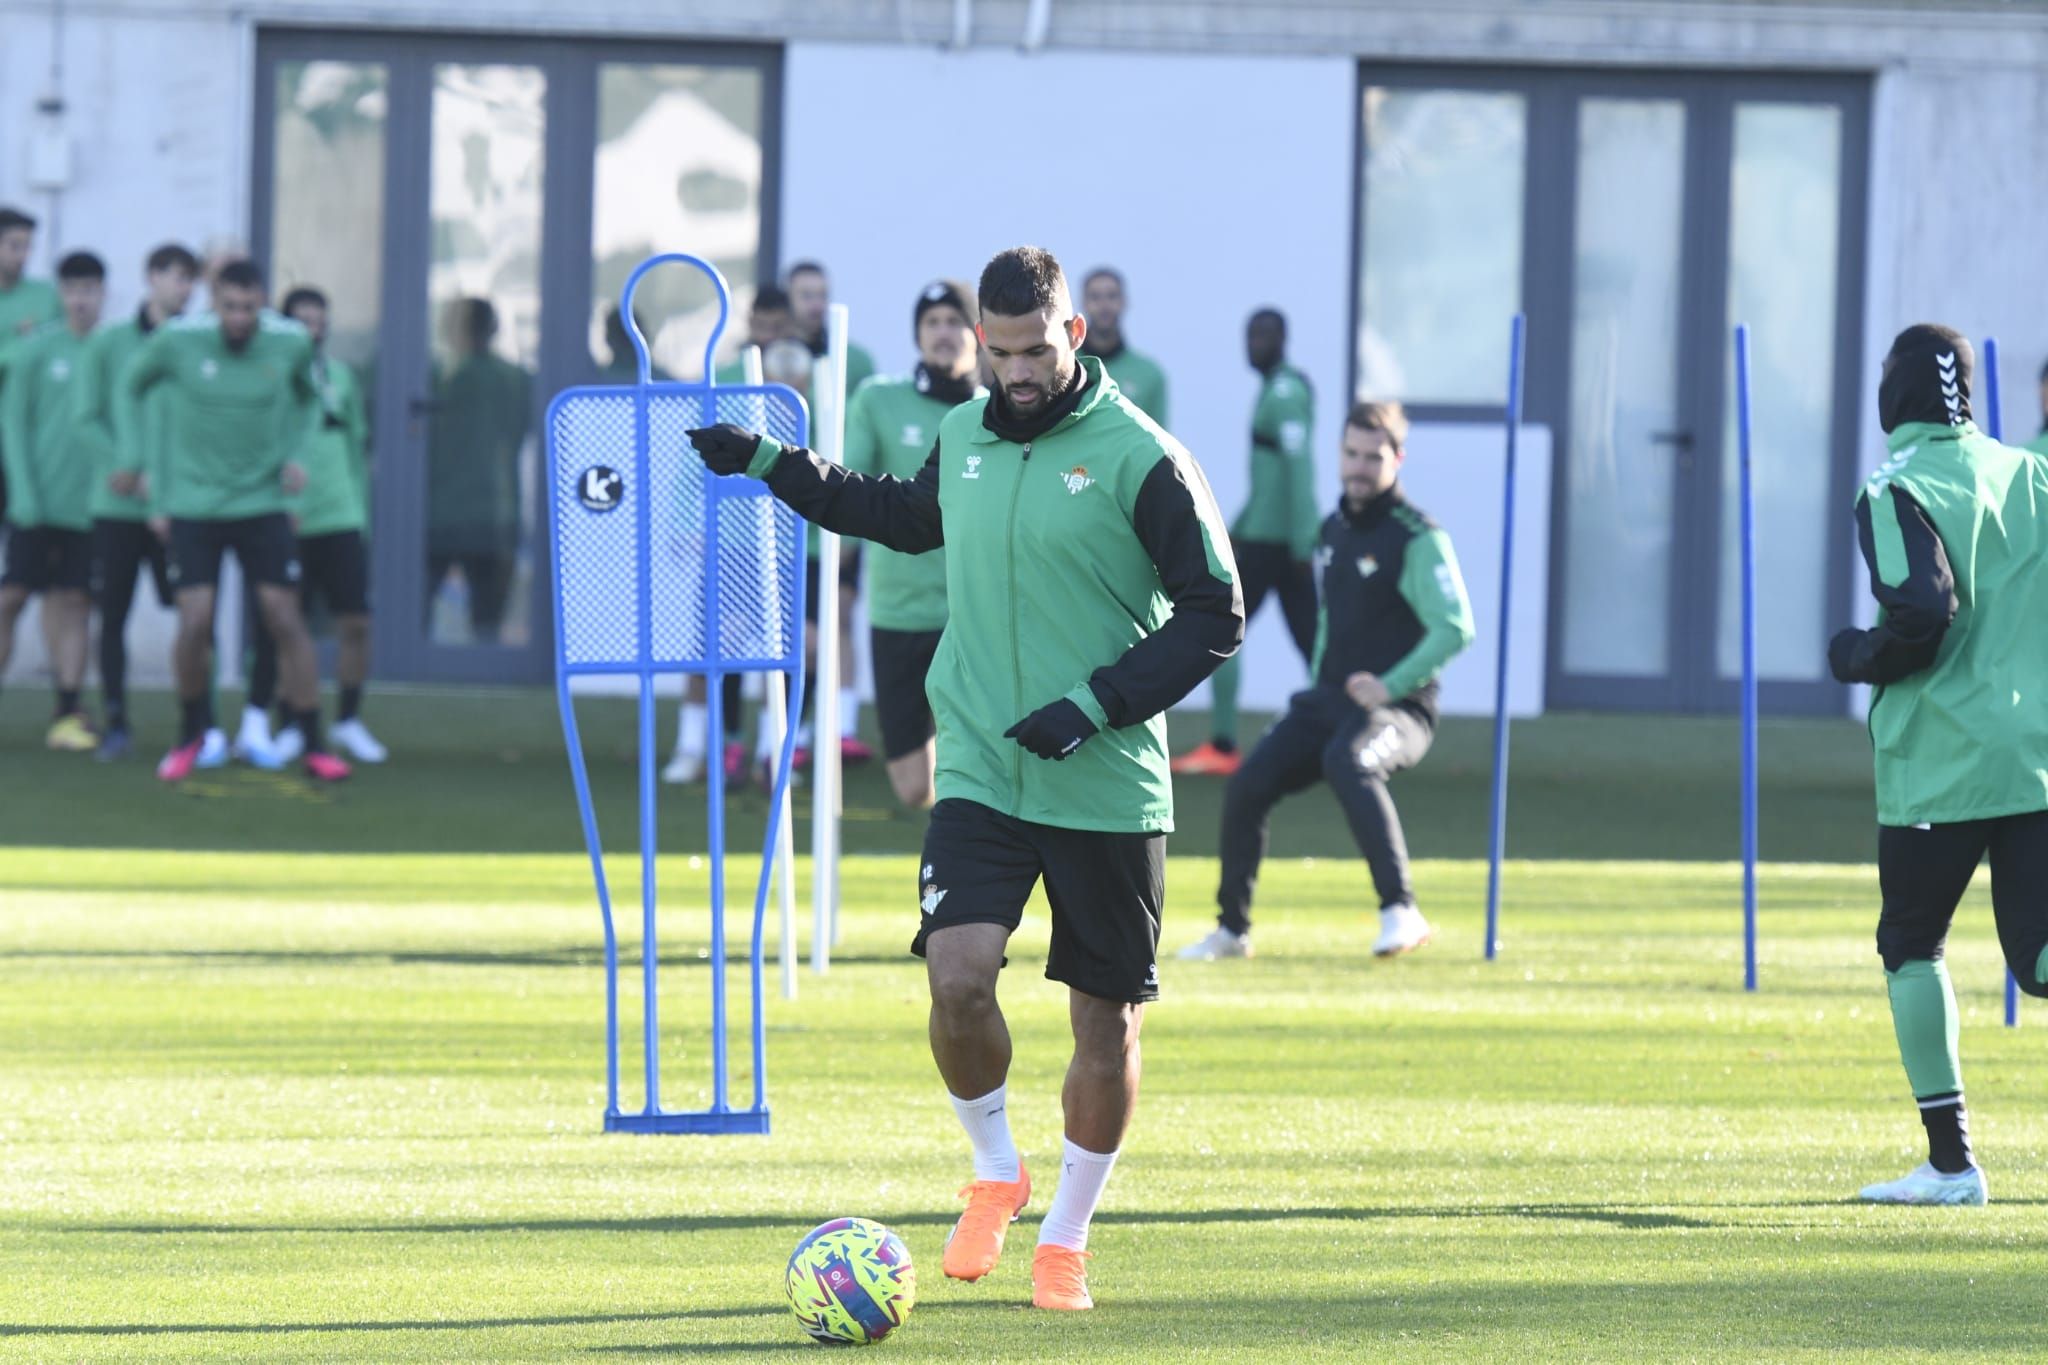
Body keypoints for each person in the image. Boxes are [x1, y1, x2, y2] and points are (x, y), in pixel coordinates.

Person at [688, 245, 1242, 1312]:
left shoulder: (1142, 456)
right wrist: (770, 464)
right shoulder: (962, 433)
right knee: (954, 982)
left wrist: (1093, 706)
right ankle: (996, 1169)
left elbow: (1214, 614)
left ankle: (1066, 1236)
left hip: (1103, 781)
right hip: (983, 766)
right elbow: (900, 514)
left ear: (1073, 335)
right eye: (1001, 353)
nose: (1019, 372)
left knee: (1104, 1028)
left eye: (1037, 350)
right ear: (977, 346)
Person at [1827, 324, 2048, 1207]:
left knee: (1911, 945)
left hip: (1940, 764)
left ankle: (1952, 1165)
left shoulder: (1894, 486)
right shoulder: (2030, 475)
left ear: (1899, 393)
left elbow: (1922, 614)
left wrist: (1857, 654)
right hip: (2035, 757)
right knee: (2036, 960)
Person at [1180, 402, 1474, 962]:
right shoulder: (1333, 529)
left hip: (1399, 711)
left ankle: (1401, 912)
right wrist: (1317, 686)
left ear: (1398, 460)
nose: (1360, 467)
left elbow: (1455, 628)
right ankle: (1231, 932)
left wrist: (1390, 685)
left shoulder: (1417, 537)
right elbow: (1329, 628)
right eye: (1351, 454)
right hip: (1330, 701)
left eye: (1374, 457)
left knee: (1351, 760)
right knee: (1249, 782)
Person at [118, 259, 349, 782]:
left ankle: (313, 740)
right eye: (230, 307)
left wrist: (298, 457)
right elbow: (130, 386)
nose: (240, 318)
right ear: (213, 301)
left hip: (262, 502)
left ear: (262, 302)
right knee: (195, 620)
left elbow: (316, 402)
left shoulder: (289, 341)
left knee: (284, 617)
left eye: (250, 308)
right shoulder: (178, 340)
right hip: (195, 505)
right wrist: (137, 460)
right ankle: (192, 734)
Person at [840, 279, 984, 807]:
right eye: (932, 323)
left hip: (971, 614)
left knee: (974, 764)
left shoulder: (997, 410)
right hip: (898, 610)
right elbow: (849, 492)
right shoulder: (879, 399)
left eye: (955, 321)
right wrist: (841, 577)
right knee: (913, 787)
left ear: (978, 333)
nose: (944, 334)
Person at [240, 286, 385, 765]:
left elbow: (355, 447)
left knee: (356, 622)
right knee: (285, 626)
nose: (313, 329)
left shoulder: (341, 376)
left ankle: (347, 719)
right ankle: (292, 724)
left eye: (319, 321)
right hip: (289, 519)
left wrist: (359, 513)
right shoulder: (269, 376)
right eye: (303, 320)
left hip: (340, 517)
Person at [1173, 308, 1319, 777]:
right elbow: (1270, 482)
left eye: (1264, 335)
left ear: (1283, 339)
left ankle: (1223, 743)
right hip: (1263, 538)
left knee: (1223, 628)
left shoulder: (1285, 394)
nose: (1254, 344)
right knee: (1313, 641)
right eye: (1250, 334)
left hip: (1274, 545)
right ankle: (1335, 733)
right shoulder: (1276, 389)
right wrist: (1236, 525)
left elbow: (1301, 472)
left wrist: (1302, 542)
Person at [74, 242, 198, 760]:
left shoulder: (198, 345)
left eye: (192, 280)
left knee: (196, 614)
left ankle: (197, 725)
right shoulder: (108, 345)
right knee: (114, 615)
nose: (185, 289)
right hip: (118, 509)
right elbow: (85, 417)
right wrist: (125, 468)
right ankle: (117, 721)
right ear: (151, 278)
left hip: (183, 509)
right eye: (176, 277)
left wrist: (174, 482)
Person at [0, 250, 107, 749]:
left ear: (103, 294)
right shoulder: (36, 350)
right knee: (12, 598)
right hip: (36, 503)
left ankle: (67, 710)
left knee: (74, 603)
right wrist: (23, 490)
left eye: (90, 290)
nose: (81, 300)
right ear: (60, 295)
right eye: (73, 291)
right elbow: (13, 424)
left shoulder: (113, 350)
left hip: (91, 508)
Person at [785, 262, 875, 765]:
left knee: (840, 616)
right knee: (802, 633)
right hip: (792, 519)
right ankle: (794, 732)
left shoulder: (854, 360)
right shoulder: (774, 359)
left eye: (822, 293)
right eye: (805, 294)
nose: (815, 303)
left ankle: (840, 728)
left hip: (841, 512)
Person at [425, 298, 530, 643]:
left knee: (414, 615)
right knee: (486, 623)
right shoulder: (515, 380)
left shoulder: (440, 379)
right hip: (493, 514)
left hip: (441, 513)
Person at [0, 207, 62, 534]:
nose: (23, 255)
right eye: (14, 245)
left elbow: (61, 352)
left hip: (33, 439)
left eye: (28, 246)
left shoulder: (46, 296)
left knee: (30, 541)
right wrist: (15, 349)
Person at [1078, 268, 1168, 427]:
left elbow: (1161, 445)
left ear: (1124, 302)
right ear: (1084, 303)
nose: (1104, 305)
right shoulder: (1064, 367)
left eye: (1112, 296)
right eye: (1095, 297)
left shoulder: (1149, 375)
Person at [785, 260, 875, 392]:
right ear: (787, 299)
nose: (817, 305)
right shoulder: (767, 357)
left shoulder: (856, 360)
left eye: (822, 295)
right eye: (807, 296)